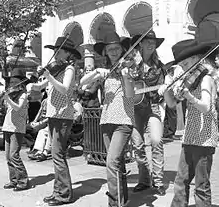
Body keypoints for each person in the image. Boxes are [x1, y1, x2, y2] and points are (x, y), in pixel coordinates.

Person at [159, 39, 219, 207]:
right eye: (182, 66)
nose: (184, 69)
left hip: (204, 138)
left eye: (186, 64)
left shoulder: (206, 78)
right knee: (181, 180)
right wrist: (166, 91)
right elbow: (171, 104)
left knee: (201, 185)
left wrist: (189, 97)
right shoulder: (188, 81)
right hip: (189, 137)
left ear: (197, 59)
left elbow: (206, 107)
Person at [80, 31, 135, 207]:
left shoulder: (128, 68)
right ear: (105, 52)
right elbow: (82, 83)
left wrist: (126, 76)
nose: (113, 51)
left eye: (116, 48)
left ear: (121, 49)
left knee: (111, 162)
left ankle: (114, 203)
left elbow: (130, 95)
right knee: (117, 163)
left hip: (123, 121)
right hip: (106, 120)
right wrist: (96, 72)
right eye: (110, 49)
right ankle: (123, 200)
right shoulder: (104, 71)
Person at [28, 36, 81, 206]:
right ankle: (58, 190)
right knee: (55, 154)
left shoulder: (69, 69)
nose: (56, 54)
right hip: (53, 115)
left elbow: (64, 89)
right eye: (55, 51)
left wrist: (49, 76)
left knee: (58, 155)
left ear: (67, 53)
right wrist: (33, 85)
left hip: (63, 116)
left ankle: (64, 193)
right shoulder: (56, 69)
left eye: (59, 51)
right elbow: (41, 86)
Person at [129, 30, 166, 196]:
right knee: (137, 145)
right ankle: (144, 180)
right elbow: (127, 86)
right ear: (141, 44)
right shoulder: (132, 65)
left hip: (153, 106)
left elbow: (163, 89)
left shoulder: (160, 67)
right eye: (148, 41)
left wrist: (164, 90)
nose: (151, 44)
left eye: (154, 41)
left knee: (157, 141)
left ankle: (158, 181)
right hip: (135, 109)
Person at [2, 68, 30, 191]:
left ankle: (23, 181)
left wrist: (7, 98)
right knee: (8, 156)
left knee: (14, 155)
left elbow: (18, 108)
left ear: (20, 83)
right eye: (11, 82)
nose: (11, 84)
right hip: (7, 126)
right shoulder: (12, 94)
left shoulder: (23, 95)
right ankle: (13, 180)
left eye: (14, 82)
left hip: (17, 128)